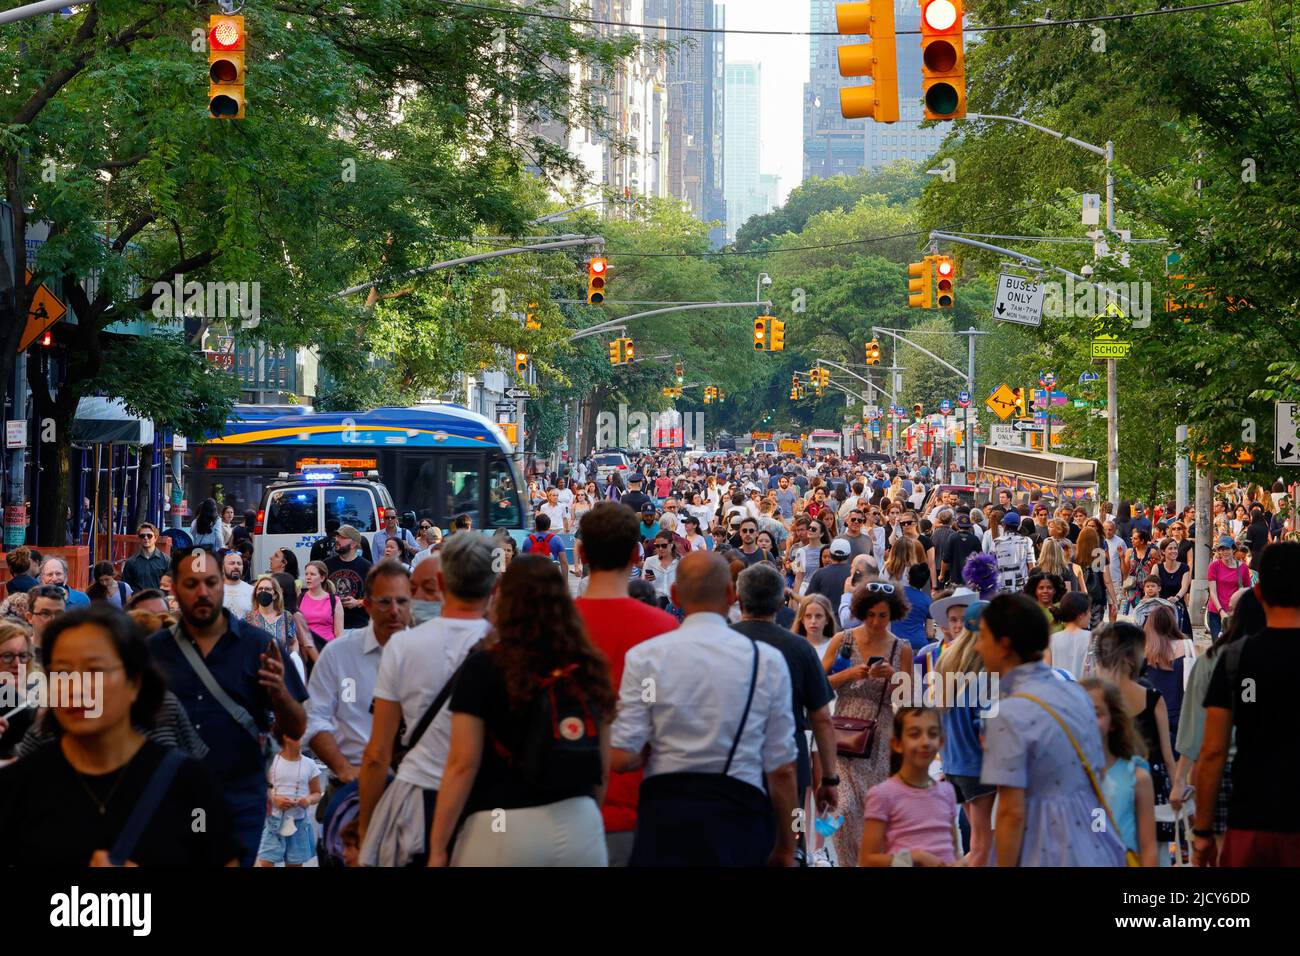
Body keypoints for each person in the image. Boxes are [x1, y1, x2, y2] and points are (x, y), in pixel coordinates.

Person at [0, 606, 241, 867]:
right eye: (62, 671)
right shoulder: (20, 786)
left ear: (134, 682)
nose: (75, 688)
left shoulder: (188, 786)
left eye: (95, 671)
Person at [608, 551, 799, 866]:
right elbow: (782, 767)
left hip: (666, 814)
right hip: (739, 812)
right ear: (731, 594)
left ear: (674, 595)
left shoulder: (645, 657)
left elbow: (624, 755)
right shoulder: (765, 660)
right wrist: (786, 847)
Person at [428, 555, 615, 867]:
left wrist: (437, 847)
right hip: (580, 824)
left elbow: (462, 764)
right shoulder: (589, 668)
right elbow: (603, 766)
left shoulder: (483, 667)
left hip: (501, 827)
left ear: (502, 597)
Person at [149, 548, 308, 866]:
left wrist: (279, 693)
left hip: (238, 798)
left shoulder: (259, 646)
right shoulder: (152, 652)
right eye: (191, 583)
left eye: (210, 581)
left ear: (223, 584)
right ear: (174, 587)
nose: (203, 592)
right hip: (170, 797)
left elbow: (297, 728)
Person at [356, 547, 488, 866]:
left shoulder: (402, 646)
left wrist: (367, 831)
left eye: (426, 589)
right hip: (485, 804)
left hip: (422, 799)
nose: (414, 599)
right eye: (412, 589)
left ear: (445, 583)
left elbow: (377, 753)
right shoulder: (502, 642)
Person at [976, 593, 1126, 866]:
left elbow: (1011, 811)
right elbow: (1099, 779)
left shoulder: (1007, 712)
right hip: (1096, 846)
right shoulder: (1079, 695)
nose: (977, 647)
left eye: (982, 636)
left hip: (1042, 847)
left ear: (1003, 645)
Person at [573, 502, 679, 866]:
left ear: (583, 553)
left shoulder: (550, 627)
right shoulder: (666, 631)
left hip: (560, 814)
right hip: (644, 811)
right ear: (637, 554)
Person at [1195, 542, 1300, 866]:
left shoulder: (1235, 658)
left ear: (1258, 593)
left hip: (1250, 818)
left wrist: (1202, 833)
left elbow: (1213, 751)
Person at [733, 563, 839, 862]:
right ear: (782, 602)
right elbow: (821, 718)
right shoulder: (798, 648)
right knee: (793, 841)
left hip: (732, 764)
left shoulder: (720, 643)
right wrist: (829, 779)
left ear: (739, 599)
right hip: (790, 765)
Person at [822, 582, 912, 866]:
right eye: (871, 614)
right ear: (861, 611)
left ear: (893, 615)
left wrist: (893, 676)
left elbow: (908, 700)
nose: (875, 621)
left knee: (874, 811)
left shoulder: (901, 647)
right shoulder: (843, 640)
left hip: (880, 736)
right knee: (844, 808)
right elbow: (818, 684)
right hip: (843, 733)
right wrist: (848, 673)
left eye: (882, 615)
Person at [1090, 622, 1181, 856]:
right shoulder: (1151, 697)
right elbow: (1168, 756)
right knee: (1154, 852)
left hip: (1105, 787)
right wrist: (1177, 788)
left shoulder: (1092, 697)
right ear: (1131, 657)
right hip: (1153, 784)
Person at [859, 708, 961, 867]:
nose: (925, 742)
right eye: (915, 734)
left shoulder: (947, 792)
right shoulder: (883, 795)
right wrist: (915, 858)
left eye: (932, 734)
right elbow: (868, 860)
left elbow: (954, 852)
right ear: (897, 744)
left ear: (941, 742)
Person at [1081, 677, 1158, 867]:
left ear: (1113, 722)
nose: (1088, 719)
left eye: (1097, 713)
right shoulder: (1062, 778)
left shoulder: (1137, 777)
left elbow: (1148, 847)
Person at [255, 727, 322, 867]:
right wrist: (274, 799)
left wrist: (308, 800)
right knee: (266, 860)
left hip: (298, 822)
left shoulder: (310, 764)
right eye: (301, 736)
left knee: (295, 863)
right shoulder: (272, 762)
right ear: (286, 738)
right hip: (272, 821)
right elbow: (261, 787)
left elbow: (317, 792)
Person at [244, 575, 313, 683]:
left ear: (275, 594)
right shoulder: (248, 618)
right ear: (255, 593)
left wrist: (294, 655)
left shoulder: (286, 616)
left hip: (283, 672)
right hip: (257, 673)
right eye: (260, 589)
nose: (263, 592)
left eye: (267, 589)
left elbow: (293, 642)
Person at [325, 525, 372, 630]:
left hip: (357, 627)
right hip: (330, 627)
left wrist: (357, 602)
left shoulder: (367, 567)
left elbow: (377, 599)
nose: (337, 539)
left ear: (354, 544)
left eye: (342, 537)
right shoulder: (326, 565)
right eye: (337, 536)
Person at [1205, 535, 1251, 640]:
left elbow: (1247, 590)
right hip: (1216, 611)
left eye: (1227, 548)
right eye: (1221, 549)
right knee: (1218, 645)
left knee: (1233, 644)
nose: (1224, 552)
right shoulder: (1214, 566)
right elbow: (1212, 592)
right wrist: (1221, 611)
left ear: (1233, 549)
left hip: (1234, 613)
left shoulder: (1242, 567)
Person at [299, 560, 343, 650]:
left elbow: (339, 632)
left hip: (327, 648)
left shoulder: (334, 600)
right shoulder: (300, 598)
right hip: (306, 650)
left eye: (312, 574)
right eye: (306, 574)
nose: (308, 577)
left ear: (322, 578)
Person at [1048, 592, 1092, 678]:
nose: (1090, 615)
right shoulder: (1093, 638)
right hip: (1084, 689)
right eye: (1089, 611)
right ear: (1081, 615)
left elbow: (1046, 672)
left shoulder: (1051, 639)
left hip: (1059, 689)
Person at [805, 537, 854, 605]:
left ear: (830, 554)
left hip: (826, 614)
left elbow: (808, 600)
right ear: (849, 555)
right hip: (848, 614)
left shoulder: (819, 574)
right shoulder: (855, 574)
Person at [122, 524, 168, 592]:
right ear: (139, 539)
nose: (146, 538)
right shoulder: (131, 562)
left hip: (158, 600)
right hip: (138, 601)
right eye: (142, 536)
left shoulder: (166, 560)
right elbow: (126, 587)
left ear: (155, 538)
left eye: (149, 535)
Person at [940, 513, 982, 588]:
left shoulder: (952, 537)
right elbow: (981, 558)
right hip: (970, 580)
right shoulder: (974, 539)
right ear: (970, 526)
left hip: (955, 579)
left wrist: (942, 575)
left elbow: (945, 559)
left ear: (957, 525)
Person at [523, 512, 570, 578]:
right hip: (551, 577)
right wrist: (565, 582)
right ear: (549, 526)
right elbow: (564, 562)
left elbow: (523, 563)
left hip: (533, 578)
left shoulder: (527, 541)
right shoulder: (557, 539)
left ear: (536, 525)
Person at [793, 593, 837, 659]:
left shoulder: (835, 646)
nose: (813, 621)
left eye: (818, 616)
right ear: (802, 620)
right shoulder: (794, 646)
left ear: (827, 619)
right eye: (808, 616)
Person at [25, 583, 67, 647]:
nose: (53, 620)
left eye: (59, 613)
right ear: (30, 617)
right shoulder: (20, 652)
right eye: (45, 613)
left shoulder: (74, 653)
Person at [220, 550, 254, 618]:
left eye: (239, 564)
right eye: (232, 563)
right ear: (223, 567)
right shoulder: (214, 591)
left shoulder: (252, 591)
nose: (236, 566)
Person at [268, 547, 300, 615]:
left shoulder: (295, 586)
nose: (271, 557)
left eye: (276, 556)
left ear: (284, 563)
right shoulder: (267, 581)